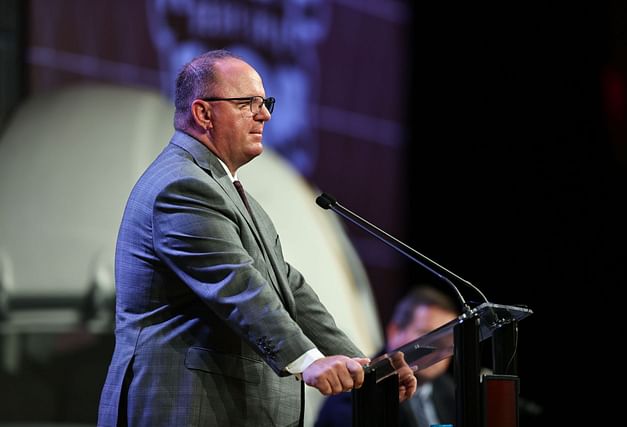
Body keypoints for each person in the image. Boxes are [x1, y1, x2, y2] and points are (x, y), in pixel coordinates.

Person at [96, 49, 416, 427]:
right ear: (203, 114)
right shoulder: (182, 186)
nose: (263, 114)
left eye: (265, 102)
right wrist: (309, 361)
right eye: (247, 103)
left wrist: (364, 367)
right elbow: (238, 286)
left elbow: (287, 286)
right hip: (184, 406)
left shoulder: (224, 186)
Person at [315, 286, 459, 427]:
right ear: (394, 331)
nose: (439, 348)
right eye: (428, 336)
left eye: (447, 340)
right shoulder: (356, 388)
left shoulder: (451, 390)